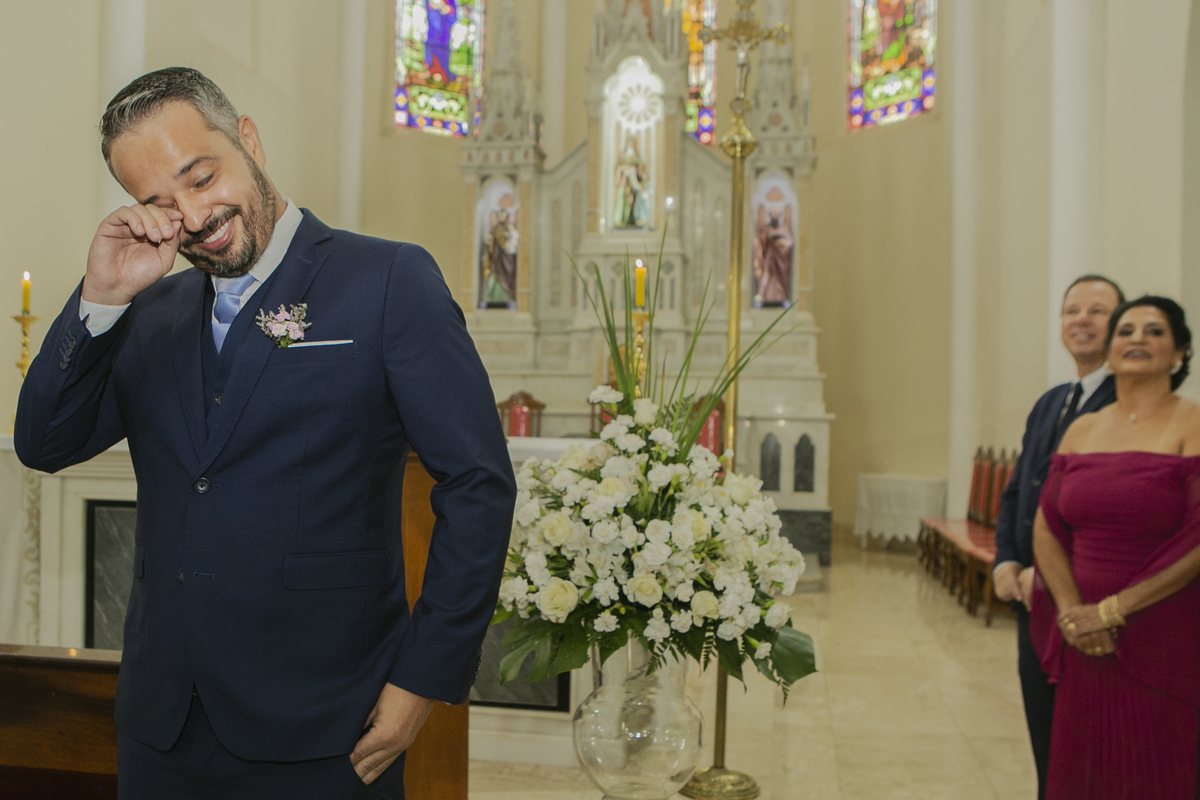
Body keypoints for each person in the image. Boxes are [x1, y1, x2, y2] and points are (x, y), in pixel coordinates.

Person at [14, 67, 516, 799]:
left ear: (247, 139)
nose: (194, 215)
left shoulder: (388, 281)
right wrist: (102, 297)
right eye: (160, 203)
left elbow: (478, 485)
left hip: (330, 723)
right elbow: (43, 443)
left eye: (201, 177)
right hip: (162, 727)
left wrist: (421, 679)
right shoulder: (148, 311)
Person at [1031, 296, 1200, 798]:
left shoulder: (1192, 423)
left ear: (1180, 353)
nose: (1137, 339)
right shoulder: (1082, 429)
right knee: (1083, 770)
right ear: (1109, 352)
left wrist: (1112, 611)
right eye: (1125, 331)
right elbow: (1047, 526)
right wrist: (1072, 612)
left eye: (1154, 331)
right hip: (1083, 636)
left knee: (1154, 765)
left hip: (1161, 627)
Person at [993, 275, 1123, 798]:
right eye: (1072, 311)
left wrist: (1046, 574)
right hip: (1031, 601)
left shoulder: (1125, 405)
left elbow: (1105, 513)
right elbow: (1019, 489)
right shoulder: (1052, 401)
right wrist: (1006, 559)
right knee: (1046, 735)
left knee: (1087, 742)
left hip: (1082, 599)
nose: (1081, 320)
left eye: (1097, 310)